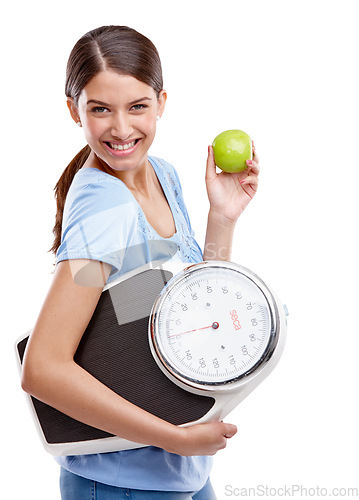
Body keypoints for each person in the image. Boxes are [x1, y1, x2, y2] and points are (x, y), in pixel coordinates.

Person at [21, 25, 260, 499]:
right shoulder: (103, 210)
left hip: (180, 470)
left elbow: (180, 304)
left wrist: (223, 217)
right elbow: (43, 367)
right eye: (100, 110)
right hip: (121, 481)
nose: (122, 129)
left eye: (137, 106)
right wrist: (176, 437)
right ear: (75, 111)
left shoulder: (162, 174)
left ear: (161, 102)